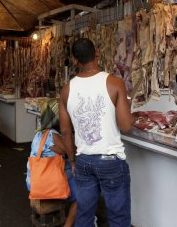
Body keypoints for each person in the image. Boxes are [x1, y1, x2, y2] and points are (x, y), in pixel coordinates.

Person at [59, 38, 134, 227]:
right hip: (111, 161)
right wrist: (128, 107)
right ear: (98, 53)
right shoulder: (115, 83)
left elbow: (65, 131)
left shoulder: (67, 90)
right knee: (118, 218)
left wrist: (73, 161)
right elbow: (126, 127)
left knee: (84, 215)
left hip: (83, 161)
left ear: (74, 60)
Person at [26, 102, 77, 227]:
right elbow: (71, 151)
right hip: (47, 183)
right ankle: (68, 225)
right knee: (85, 194)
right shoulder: (52, 135)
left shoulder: (40, 134)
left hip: (33, 182)